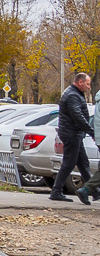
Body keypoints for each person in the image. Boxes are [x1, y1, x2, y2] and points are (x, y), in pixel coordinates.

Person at [53, 72, 93, 203]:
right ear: (80, 82)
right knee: (69, 163)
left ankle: (93, 190)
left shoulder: (75, 93)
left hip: (75, 133)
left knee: (83, 163)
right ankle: (56, 191)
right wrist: (90, 130)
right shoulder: (72, 95)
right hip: (71, 134)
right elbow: (77, 116)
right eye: (87, 84)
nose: (89, 87)